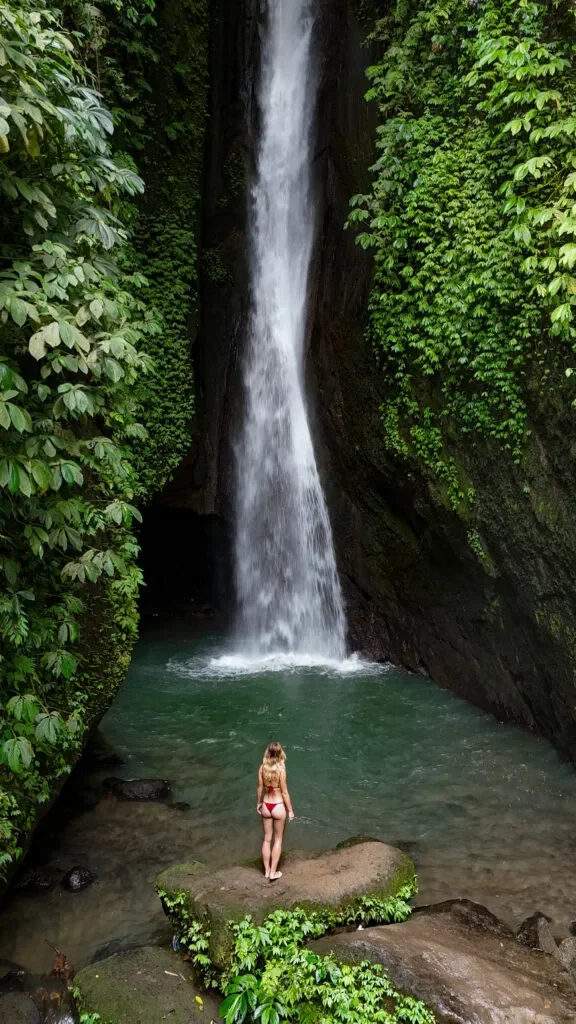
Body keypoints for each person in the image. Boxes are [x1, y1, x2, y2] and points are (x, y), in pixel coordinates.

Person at [256, 741, 294, 881]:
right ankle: (273, 872)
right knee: (278, 840)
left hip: (266, 805)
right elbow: (284, 793)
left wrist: (258, 803)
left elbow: (260, 788)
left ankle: (266, 871)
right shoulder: (281, 770)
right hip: (278, 805)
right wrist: (290, 810)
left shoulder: (262, 768)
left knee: (267, 839)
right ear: (280, 753)